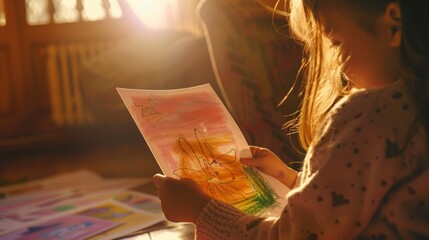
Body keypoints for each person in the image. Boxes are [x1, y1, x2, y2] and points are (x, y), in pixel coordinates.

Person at [152, 0, 429, 239]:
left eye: (336, 42)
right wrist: (290, 178)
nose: (339, 64)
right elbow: (350, 202)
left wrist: (201, 210)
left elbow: (292, 237)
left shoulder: (368, 115)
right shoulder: (414, 104)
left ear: (394, 24)